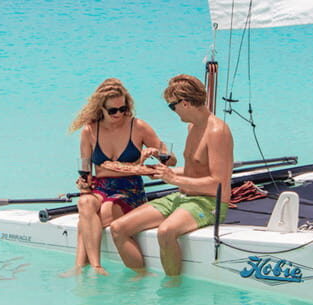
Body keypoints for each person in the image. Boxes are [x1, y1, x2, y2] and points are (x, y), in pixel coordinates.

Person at [110, 74, 233, 278]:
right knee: (119, 228)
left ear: (184, 103)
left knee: (166, 232)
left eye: (172, 106)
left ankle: (172, 287)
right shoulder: (192, 127)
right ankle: (140, 278)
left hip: (210, 202)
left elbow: (218, 185)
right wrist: (160, 171)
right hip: (183, 197)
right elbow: (195, 171)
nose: (173, 111)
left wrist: (173, 179)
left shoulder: (217, 131)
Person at [64, 78, 166, 276]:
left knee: (96, 215)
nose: (119, 114)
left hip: (130, 189)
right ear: (101, 108)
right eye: (113, 110)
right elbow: (86, 167)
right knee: (85, 203)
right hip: (101, 188)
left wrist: (156, 153)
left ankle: (80, 266)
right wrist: (84, 182)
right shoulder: (90, 131)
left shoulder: (138, 127)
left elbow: (170, 159)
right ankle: (95, 265)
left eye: (123, 108)